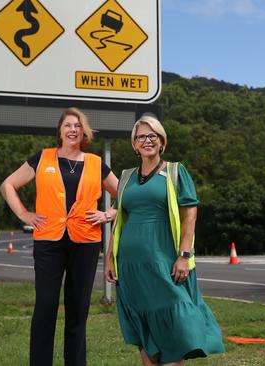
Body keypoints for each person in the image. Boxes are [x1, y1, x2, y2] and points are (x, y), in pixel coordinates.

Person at [0, 107, 118, 366]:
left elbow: (126, 193)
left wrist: (109, 214)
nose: (72, 129)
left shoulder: (97, 163)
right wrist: (24, 214)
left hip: (86, 242)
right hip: (48, 241)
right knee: (45, 306)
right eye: (67, 125)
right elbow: (8, 185)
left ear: (83, 131)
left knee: (78, 311)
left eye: (77, 125)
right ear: (60, 131)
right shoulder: (43, 158)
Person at [104, 113, 225, 365]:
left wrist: (184, 255)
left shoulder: (175, 172)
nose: (147, 141)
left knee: (174, 328)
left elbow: (189, 217)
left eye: (152, 136)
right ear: (134, 144)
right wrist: (109, 258)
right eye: (141, 137)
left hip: (165, 262)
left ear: (161, 142)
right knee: (143, 328)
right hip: (131, 265)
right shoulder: (125, 177)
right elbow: (119, 220)